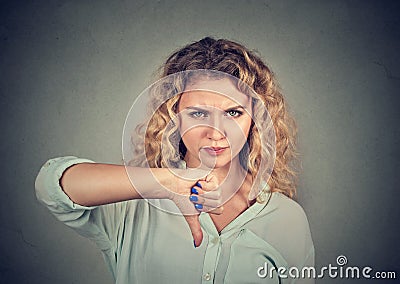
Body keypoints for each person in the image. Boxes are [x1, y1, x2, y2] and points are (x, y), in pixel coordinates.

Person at [35, 37, 314, 283]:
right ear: (173, 117)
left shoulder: (287, 220)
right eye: (197, 114)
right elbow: (50, 186)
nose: (216, 132)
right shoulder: (133, 204)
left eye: (233, 113)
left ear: (256, 119)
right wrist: (166, 181)